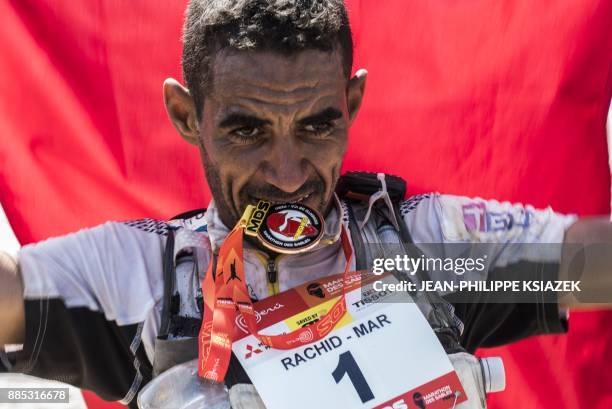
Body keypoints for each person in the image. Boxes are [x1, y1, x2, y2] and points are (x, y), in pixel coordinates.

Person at [1, 0, 611, 408]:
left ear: (352, 102)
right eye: (248, 132)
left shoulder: (421, 251)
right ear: (187, 117)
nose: (289, 176)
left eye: (318, 127)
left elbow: (597, 261)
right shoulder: (148, 276)